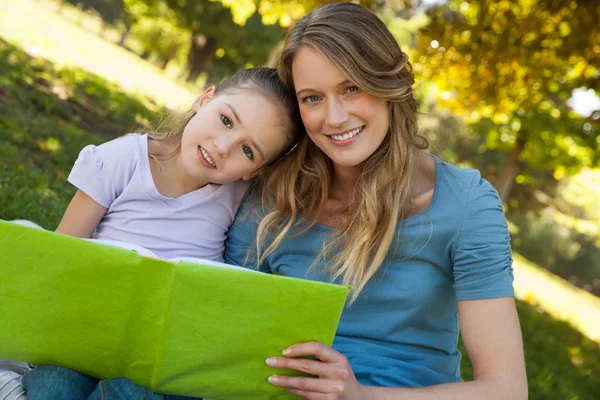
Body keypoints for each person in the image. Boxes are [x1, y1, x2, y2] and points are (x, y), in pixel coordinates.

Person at [223, 2, 528, 399]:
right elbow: (222, 320)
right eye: (312, 98)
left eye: (351, 88)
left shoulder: (466, 205)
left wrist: (361, 396)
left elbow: (506, 390)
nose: (334, 118)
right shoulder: (275, 193)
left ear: (389, 83)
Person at [15, 66, 302, 400]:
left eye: (248, 150)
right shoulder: (123, 160)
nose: (223, 147)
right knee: (54, 388)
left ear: (256, 171)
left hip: (160, 360)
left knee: (135, 395)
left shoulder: (238, 199)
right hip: (84, 337)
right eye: (226, 120)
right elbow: (60, 253)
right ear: (204, 99)